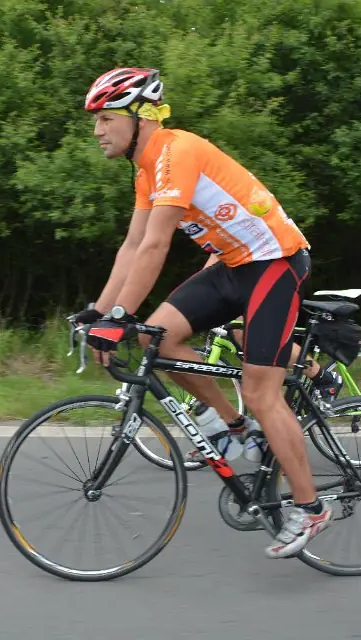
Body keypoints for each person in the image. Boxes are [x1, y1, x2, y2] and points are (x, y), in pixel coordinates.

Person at [76, 68, 331, 558]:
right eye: (97, 121)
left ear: (141, 117)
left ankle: (311, 507)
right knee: (156, 335)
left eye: (107, 118)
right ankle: (235, 429)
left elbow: (156, 245)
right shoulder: (147, 170)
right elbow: (132, 245)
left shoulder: (176, 151)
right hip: (233, 265)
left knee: (261, 390)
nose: (97, 130)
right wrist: (99, 312)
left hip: (275, 261)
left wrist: (119, 314)